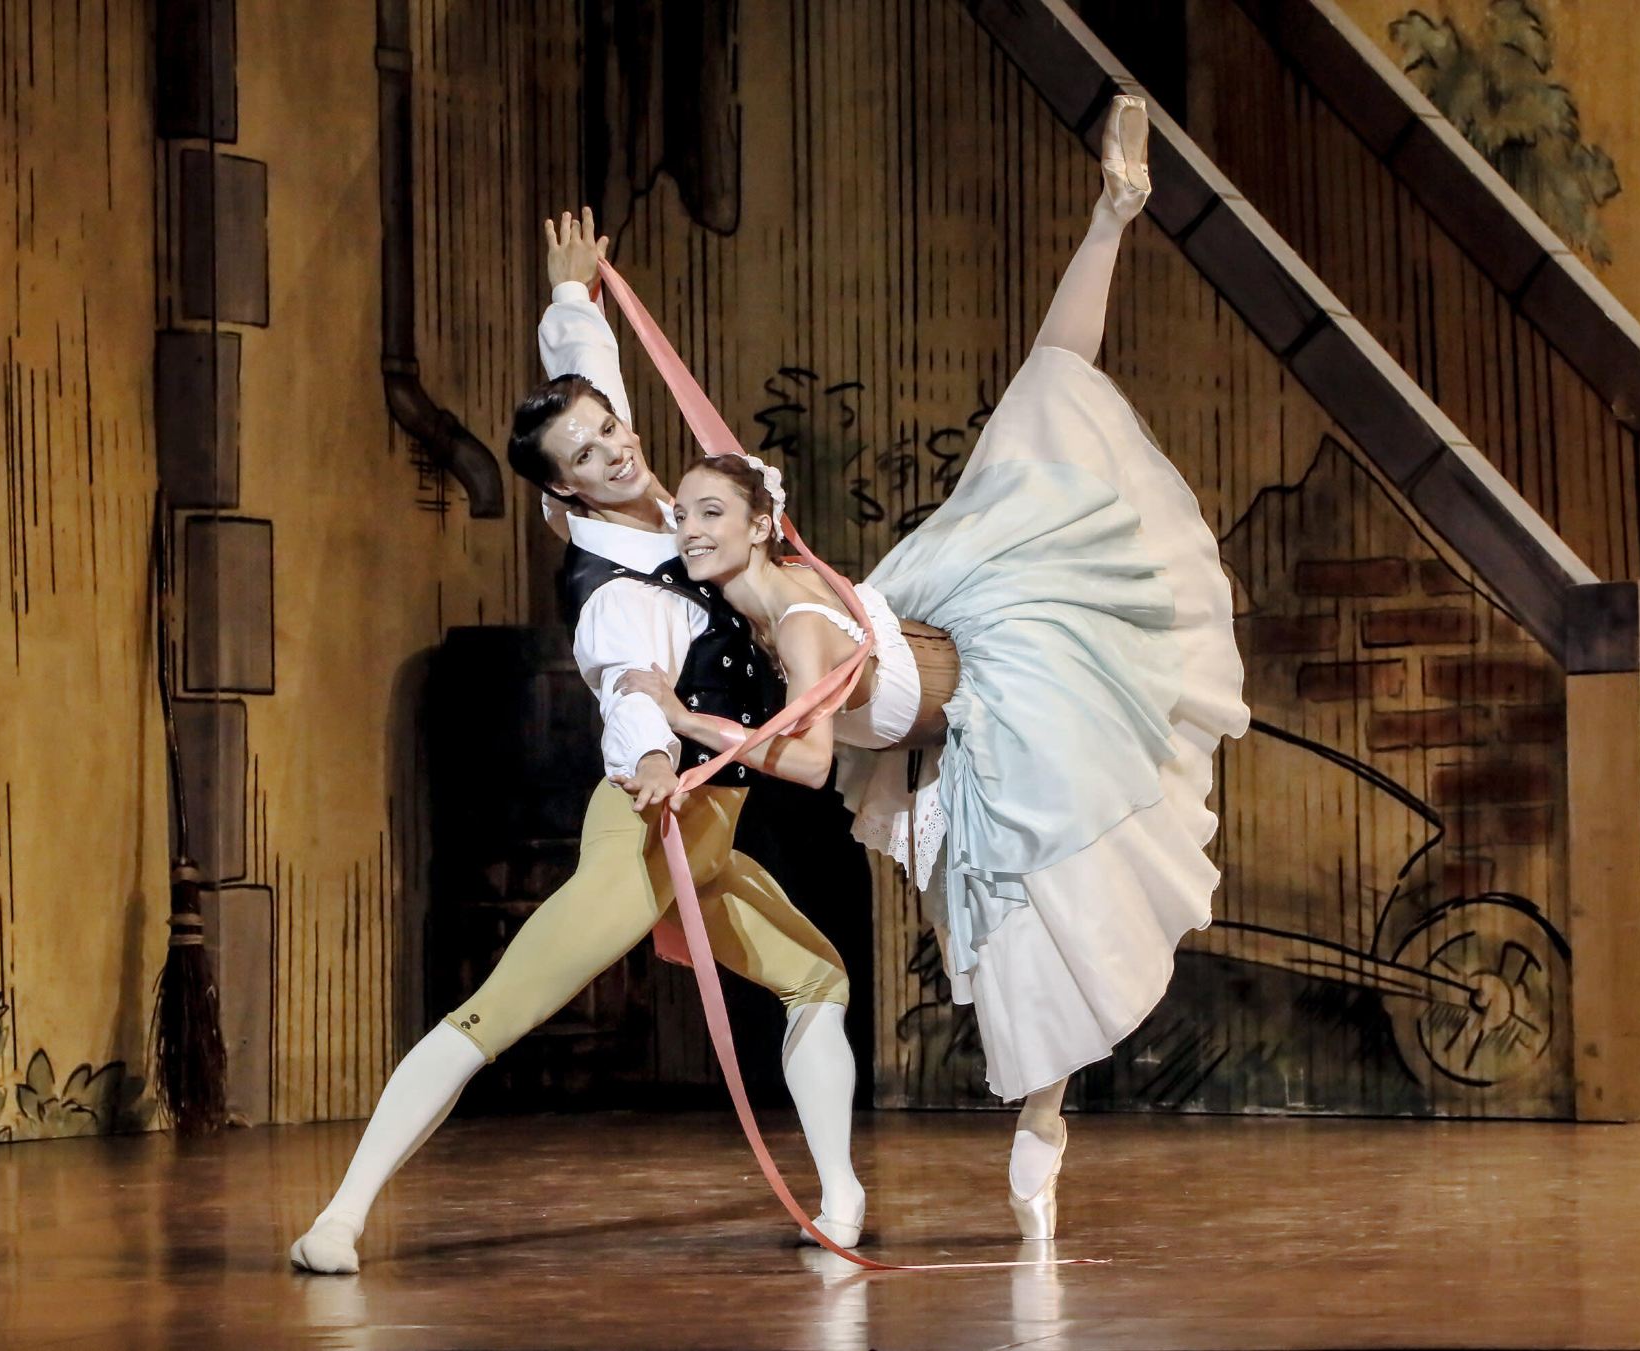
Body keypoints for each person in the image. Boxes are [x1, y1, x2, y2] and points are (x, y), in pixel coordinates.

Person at [618, 96, 1249, 1241]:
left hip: (1008, 681)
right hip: (939, 692)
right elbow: (654, 504)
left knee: (1043, 404)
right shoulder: (766, 591)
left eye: (708, 514)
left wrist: (681, 721)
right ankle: (1110, 215)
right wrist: (589, 313)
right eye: (687, 519)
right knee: (1035, 398)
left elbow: (805, 762)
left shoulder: (799, 622)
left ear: (758, 526)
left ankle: (1113, 214)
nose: (689, 530)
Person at [289, 211, 866, 1274]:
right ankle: (339, 1216)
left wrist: (571, 302)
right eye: (587, 456)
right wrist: (650, 759)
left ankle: (837, 1199)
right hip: (650, 826)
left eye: (610, 431)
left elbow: (594, 377)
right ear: (561, 492)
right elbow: (628, 689)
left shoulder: (672, 501)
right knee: (497, 1008)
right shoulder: (613, 586)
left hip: (707, 835)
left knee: (815, 981)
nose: (614, 450)